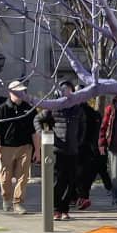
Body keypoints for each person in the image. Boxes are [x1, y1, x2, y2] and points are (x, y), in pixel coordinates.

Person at [0, 80, 39, 214]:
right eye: (18, 91)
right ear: (10, 92)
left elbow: (35, 132)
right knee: (6, 177)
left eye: (22, 91)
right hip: (7, 147)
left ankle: (18, 202)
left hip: (25, 147)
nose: (21, 93)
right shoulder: (1, 110)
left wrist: (38, 151)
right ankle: (6, 199)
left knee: (23, 176)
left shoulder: (29, 109)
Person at [39, 79, 85, 220]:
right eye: (64, 90)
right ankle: (55, 208)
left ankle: (64, 209)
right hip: (57, 150)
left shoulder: (78, 109)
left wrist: (78, 142)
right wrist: (45, 134)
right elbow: (38, 119)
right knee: (58, 181)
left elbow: (83, 128)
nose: (67, 93)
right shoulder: (53, 107)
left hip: (72, 150)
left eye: (70, 90)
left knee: (70, 181)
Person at [75, 101, 102, 210]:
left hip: (78, 147)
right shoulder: (93, 113)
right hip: (88, 147)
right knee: (85, 174)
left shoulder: (75, 110)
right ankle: (82, 197)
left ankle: (81, 197)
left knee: (77, 174)